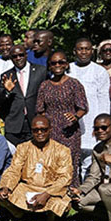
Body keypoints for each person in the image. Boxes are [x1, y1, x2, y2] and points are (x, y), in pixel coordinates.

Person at [0, 115, 73, 221]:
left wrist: (46, 194)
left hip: (50, 190)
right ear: (31, 131)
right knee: (2, 197)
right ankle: (21, 215)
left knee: (65, 205)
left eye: (44, 129)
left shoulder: (62, 150)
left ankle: (49, 219)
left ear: (50, 130)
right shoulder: (23, 147)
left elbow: (65, 177)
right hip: (26, 188)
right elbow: (14, 169)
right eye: (36, 130)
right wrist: (6, 187)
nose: (39, 133)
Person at [36, 51, 88, 187]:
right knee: (51, 162)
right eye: (53, 63)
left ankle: (71, 193)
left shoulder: (74, 84)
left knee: (70, 163)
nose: (57, 65)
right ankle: (52, 193)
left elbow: (83, 107)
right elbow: (40, 109)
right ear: (49, 66)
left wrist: (75, 117)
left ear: (66, 64)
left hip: (69, 131)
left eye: (61, 62)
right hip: (50, 131)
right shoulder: (44, 85)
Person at [68, 38, 111, 182]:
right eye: (80, 49)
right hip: (70, 122)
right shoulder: (68, 69)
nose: (84, 52)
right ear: (74, 51)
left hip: (92, 120)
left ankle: (85, 194)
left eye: (87, 49)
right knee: (70, 160)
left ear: (92, 51)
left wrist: (101, 125)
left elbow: (104, 99)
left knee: (89, 161)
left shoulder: (99, 71)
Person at [0, 45, 48, 146]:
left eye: (21, 55)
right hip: (14, 125)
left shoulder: (40, 71)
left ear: (26, 55)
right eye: (15, 56)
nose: (18, 58)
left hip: (34, 122)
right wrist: (7, 91)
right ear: (11, 58)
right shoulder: (6, 75)